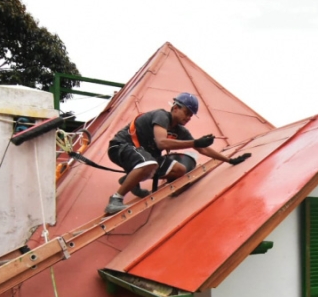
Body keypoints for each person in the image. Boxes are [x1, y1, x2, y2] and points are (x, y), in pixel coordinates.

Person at [104, 92, 251, 214]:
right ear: (175, 108)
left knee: (179, 170)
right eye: (186, 113)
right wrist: (195, 142)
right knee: (149, 162)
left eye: (190, 116)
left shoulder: (180, 131)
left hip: (143, 155)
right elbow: (161, 142)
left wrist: (229, 160)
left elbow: (202, 149)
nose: (188, 118)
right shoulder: (161, 116)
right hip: (121, 147)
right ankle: (115, 200)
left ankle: (131, 180)